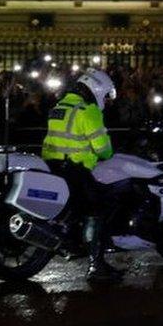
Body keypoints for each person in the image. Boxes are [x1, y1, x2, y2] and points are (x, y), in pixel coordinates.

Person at [41, 69, 123, 283]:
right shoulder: (88, 110)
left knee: (78, 208)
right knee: (96, 209)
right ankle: (97, 265)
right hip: (75, 169)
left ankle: (72, 242)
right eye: (105, 95)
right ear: (97, 89)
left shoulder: (60, 106)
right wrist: (108, 150)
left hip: (52, 165)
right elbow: (103, 149)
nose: (105, 100)